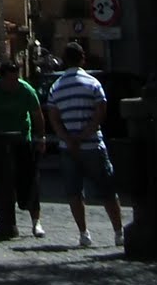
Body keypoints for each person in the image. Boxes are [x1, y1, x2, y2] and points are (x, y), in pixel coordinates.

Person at [44, 42, 125, 249]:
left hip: (67, 147)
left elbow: (53, 118)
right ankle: (118, 232)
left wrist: (67, 138)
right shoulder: (93, 83)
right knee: (107, 189)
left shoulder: (56, 87)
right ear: (82, 59)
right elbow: (101, 112)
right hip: (92, 145)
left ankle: (83, 233)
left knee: (74, 192)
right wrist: (84, 134)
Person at [0, 57, 46, 240]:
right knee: (1, 183)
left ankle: (36, 223)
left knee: (29, 181)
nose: (14, 83)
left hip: (22, 139)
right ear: (1, 78)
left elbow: (37, 114)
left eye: (16, 78)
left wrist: (41, 137)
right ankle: (6, 226)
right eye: (10, 79)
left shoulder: (26, 90)